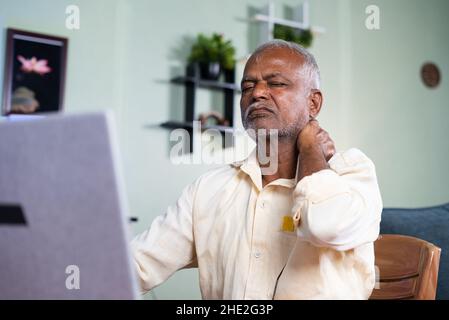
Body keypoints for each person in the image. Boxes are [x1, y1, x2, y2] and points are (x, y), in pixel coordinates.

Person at [131, 40, 382, 300]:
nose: (257, 93)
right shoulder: (209, 189)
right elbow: (139, 265)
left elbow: (323, 224)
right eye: (247, 86)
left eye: (276, 83)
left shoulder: (352, 174)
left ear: (313, 104)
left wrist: (309, 148)